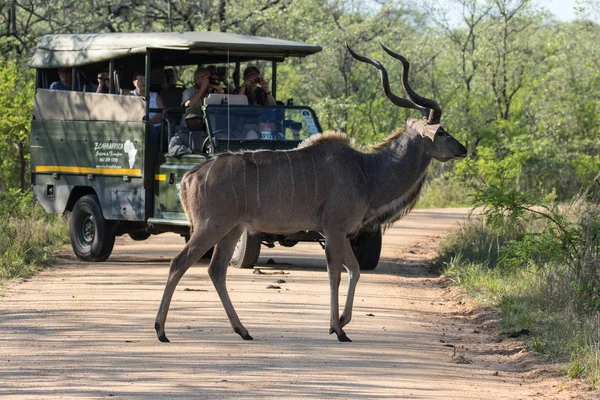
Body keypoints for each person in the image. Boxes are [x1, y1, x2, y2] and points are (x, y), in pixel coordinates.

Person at [131, 70, 164, 143]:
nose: (143, 82)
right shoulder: (130, 96)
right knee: (151, 130)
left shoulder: (155, 95)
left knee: (164, 131)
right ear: (134, 82)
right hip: (137, 126)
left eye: (145, 80)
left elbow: (163, 112)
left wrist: (151, 121)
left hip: (156, 125)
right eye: (140, 80)